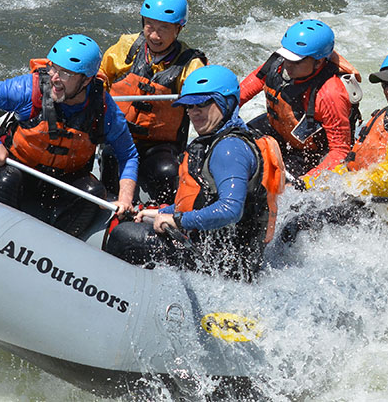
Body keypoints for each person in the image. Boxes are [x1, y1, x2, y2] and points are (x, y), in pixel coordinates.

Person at [105, 65, 284, 282]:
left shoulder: (230, 149)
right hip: (216, 251)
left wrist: (178, 220)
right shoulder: (218, 140)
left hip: (226, 265)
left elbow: (230, 210)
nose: (194, 112)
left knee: (125, 236)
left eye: (203, 103)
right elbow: (203, 200)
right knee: (140, 223)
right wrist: (163, 212)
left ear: (227, 103)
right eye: (189, 106)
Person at [0, 34, 138, 238]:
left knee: (94, 191)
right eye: (54, 67)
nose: (54, 78)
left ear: (86, 80)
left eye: (66, 73)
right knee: (7, 178)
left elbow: (128, 154)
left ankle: (59, 242)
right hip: (21, 170)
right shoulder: (28, 89)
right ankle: (3, 236)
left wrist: (125, 198)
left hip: (66, 181)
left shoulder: (104, 109)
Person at [279, 48, 388, 243]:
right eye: (385, 84)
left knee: (299, 228)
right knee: (296, 213)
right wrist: (309, 183)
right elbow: (354, 168)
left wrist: (349, 186)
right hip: (374, 207)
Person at [98, 0, 207, 204]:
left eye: (164, 28)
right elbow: (101, 77)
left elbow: (203, 106)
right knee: (111, 156)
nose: (155, 35)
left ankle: (163, 213)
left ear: (179, 28)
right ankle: (111, 210)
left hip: (160, 145)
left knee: (167, 171)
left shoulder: (191, 65)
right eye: (150, 26)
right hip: (121, 135)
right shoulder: (127, 47)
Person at [239, 19, 361, 183]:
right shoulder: (280, 64)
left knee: (276, 185)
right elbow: (242, 92)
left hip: (309, 153)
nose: (287, 64)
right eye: (286, 56)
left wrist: (305, 182)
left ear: (318, 62)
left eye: (295, 61)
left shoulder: (331, 94)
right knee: (236, 145)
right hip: (278, 130)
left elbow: (339, 151)